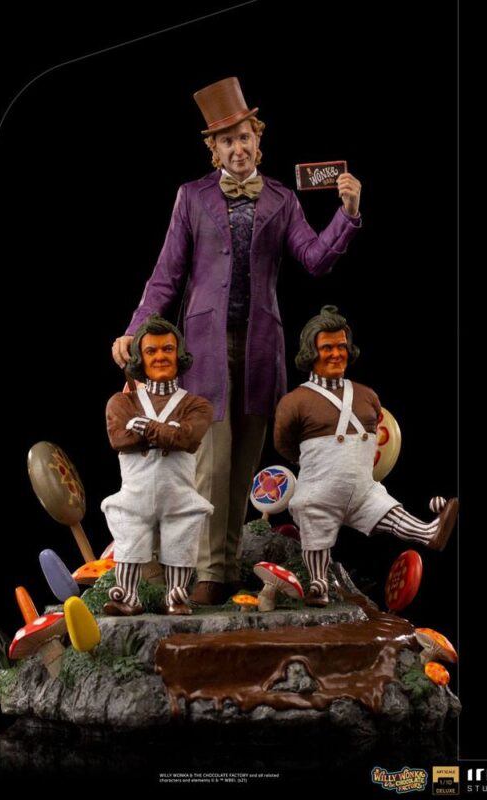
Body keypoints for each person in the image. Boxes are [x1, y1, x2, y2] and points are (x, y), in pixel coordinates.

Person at [112, 77, 363, 605]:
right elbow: (166, 275)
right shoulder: (191, 197)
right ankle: (208, 572)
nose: (238, 148)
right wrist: (136, 329)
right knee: (211, 462)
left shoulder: (282, 199)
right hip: (205, 347)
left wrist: (347, 213)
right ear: (214, 148)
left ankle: (226, 568)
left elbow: (315, 259)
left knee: (245, 460)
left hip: (260, 346)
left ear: (258, 140)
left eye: (244, 137)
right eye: (227, 140)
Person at [274, 305, 459, 606]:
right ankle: (318, 583)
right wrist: (313, 463)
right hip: (319, 490)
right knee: (315, 531)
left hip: (363, 489)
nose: (337, 354)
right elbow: (283, 444)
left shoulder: (368, 396)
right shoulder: (294, 402)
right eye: (327, 347)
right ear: (311, 352)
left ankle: (429, 533)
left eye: (341, 346)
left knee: (390, 511)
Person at [101, 315, 213, 616]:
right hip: (135, 493)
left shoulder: (197, 405)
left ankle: (176, 596)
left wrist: (143, 426)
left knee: (181, 541)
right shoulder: (121, 402)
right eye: (151, 350)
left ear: (179, 354)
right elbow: (119, 439)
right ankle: (127, 595)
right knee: (129, 540)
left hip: (179, 493)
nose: (160, 356)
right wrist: (167, 433)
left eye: (167, 349)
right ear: (140, 357)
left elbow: (187, 438)